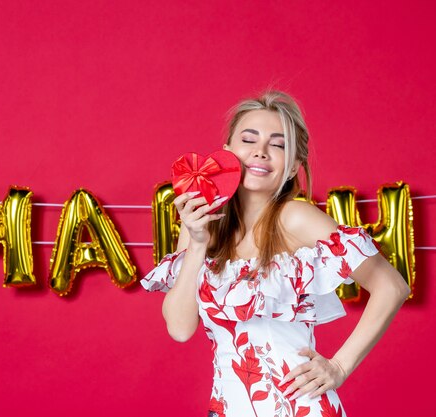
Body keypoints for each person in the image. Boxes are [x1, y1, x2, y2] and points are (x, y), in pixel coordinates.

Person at [141, 91, 410, 417]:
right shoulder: (202, 222)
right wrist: (197, 243)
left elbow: (392, 287)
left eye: (278, 145)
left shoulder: (297, 218)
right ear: (226, 152)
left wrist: (339, 366)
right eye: (249, 140)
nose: (261, 152)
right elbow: (180, 329)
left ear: (295, 164)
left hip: (297, 408)